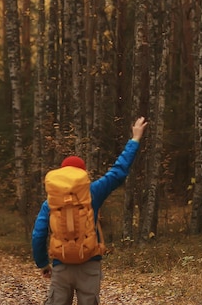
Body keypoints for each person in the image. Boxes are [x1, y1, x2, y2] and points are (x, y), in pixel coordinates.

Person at [31, 116, 148, 305]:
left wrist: (43, 263)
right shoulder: (92, 192)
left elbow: (38, 234)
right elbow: (118, 172)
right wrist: (134, 139)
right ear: (82, 175)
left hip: (61, 265)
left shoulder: (51, 201)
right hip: (90, 264)